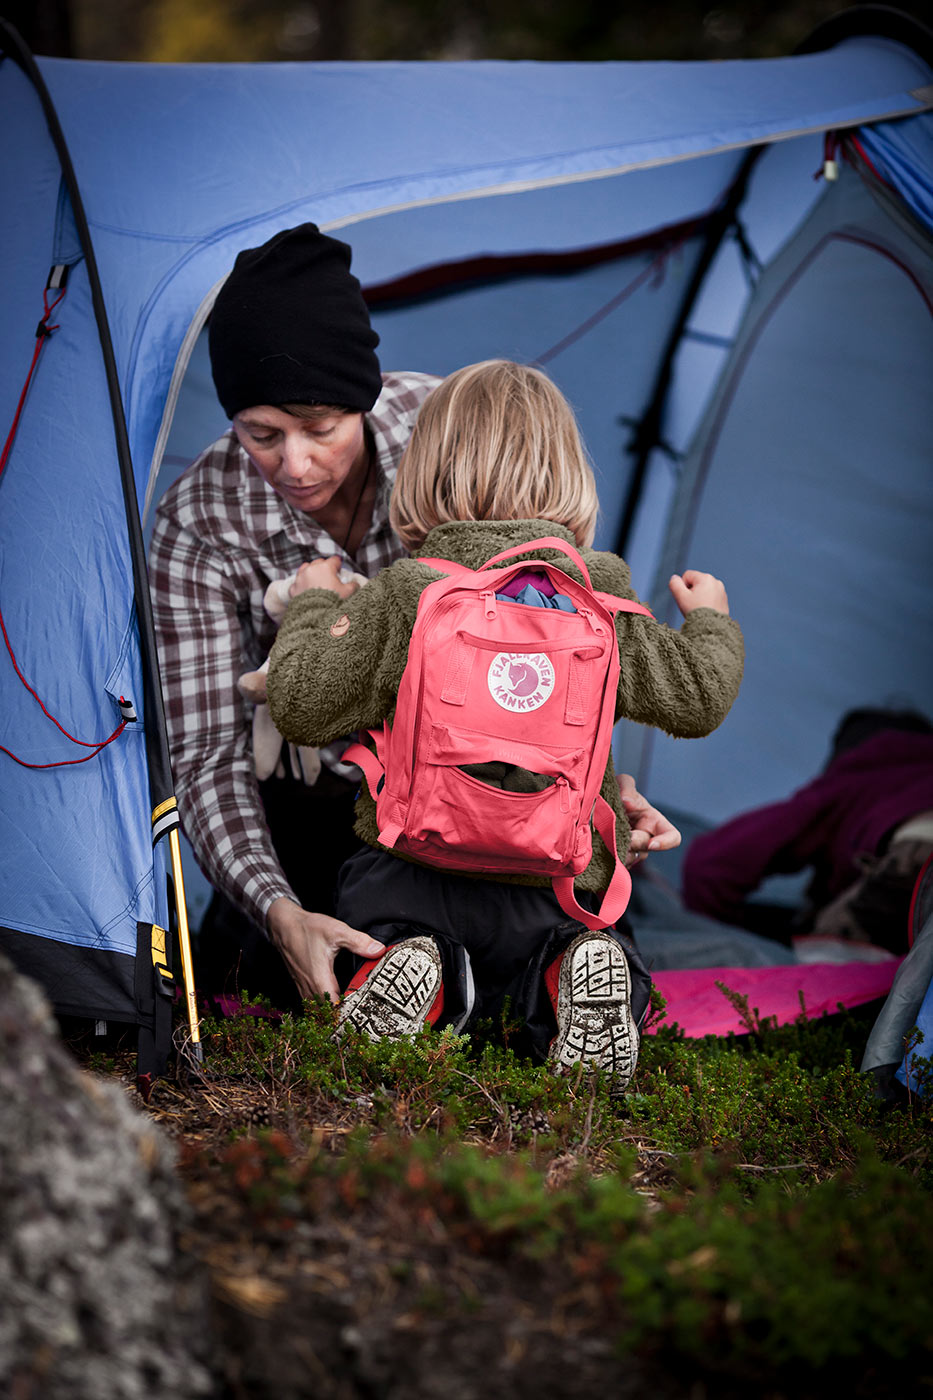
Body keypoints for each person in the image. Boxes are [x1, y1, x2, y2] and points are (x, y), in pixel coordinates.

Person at [149, 225, 678, 1010]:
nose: (294, 464)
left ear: (363, 403)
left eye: (319, 429)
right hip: (309, 812)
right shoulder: (198, 521)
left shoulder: (449, 432)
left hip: (481, 790)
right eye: (261, 435)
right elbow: (205, 754)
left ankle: (529, 971)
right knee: (270, 977)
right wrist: (276, 908)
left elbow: (553, 628)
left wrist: (585, 780)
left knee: (482, 943)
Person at [266, 360, 744, 1084]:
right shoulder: (601, 597)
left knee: (383, 911)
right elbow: (698, 697)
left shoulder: (411, 591)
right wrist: (709, 619)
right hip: (555, 883)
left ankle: (411, 962)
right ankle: (571, 967)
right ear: (571, 477)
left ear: (424, 473)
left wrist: (313, 602)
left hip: (415, 870)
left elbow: (301, 704)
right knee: (587, 934)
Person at [682, 706, 933, 953]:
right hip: (913, 857)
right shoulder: (917, 777)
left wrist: (718, 940)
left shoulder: (856, 776)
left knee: (818, 960)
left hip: (913, 856)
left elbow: (709, 864)